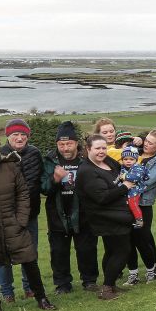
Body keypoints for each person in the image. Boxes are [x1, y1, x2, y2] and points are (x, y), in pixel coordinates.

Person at [0, 129, 57, 311]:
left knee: (30, 260)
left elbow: (23, 193)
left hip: (13, 223)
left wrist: (21, 220)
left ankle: (41, 298)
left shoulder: (10, 166)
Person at [41, 121, 100, 294]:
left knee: (86, 249)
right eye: (61, 144)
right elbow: (43, 188)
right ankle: (62, 284)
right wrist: (55, 180)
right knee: (59, 251)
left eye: (69, 144)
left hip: (83, 214)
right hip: (57, 214)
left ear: (76, 143)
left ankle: (89, 280)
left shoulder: (86, 160)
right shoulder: (50, 161)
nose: (65, 148)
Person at [78, 134, 135, 300]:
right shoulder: (87, 171)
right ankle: (107, 288)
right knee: (123, 250)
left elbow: (121, 171)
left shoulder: (108, 161)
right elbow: (101, 197)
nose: (101, 151)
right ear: (88, 149)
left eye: (103, 148)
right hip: (105, 216)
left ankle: (109, 285)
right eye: (97, 148)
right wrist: (125, 187)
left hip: (117, 212)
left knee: (112, 250)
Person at [0, 118, 44, 301]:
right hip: (5, 215)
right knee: (4, 255)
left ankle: (30, 287)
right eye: (15, 134)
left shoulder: (34, 153)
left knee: (30, 252)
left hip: (31, 212)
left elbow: (40, 180)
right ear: (8, 136)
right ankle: (7, 292)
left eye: (23, 134)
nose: (19, 138)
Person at [124, 129, 156, 282]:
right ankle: (133, 274)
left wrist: (126, 183)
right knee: (128, 239)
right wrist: (133, 141)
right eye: (146, 140)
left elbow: (149, 182)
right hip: (126, 203)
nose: (146, 144)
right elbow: (121, 158)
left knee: (142, 239)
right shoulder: (135, 151)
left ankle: (152, 270)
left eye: (150, 143)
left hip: (143, 204)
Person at [119, 146, 147, 229]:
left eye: (131, 159)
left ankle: (139, 220)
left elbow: (135, 177)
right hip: (126, 191)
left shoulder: (138, 168)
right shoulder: (122, 168)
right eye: (125, 159)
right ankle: (130, 220)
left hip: (134, 191)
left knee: (133, 204)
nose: (128, 161)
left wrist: (124, 176)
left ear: (136, 160)